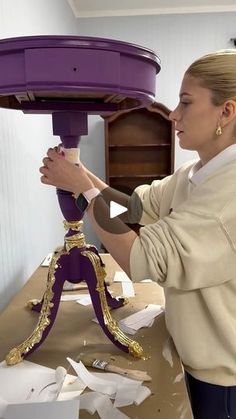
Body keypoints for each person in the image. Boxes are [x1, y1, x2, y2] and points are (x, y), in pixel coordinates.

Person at [40, 50, 236, 419]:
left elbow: (140, 259)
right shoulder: (197, 172)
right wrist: (81, 173)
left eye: (185, 102)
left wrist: (82, 188)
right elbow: (131, 210)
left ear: (226, 112)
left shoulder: (229, 193)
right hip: (187, 349)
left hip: (220, 375)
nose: (174, 114)